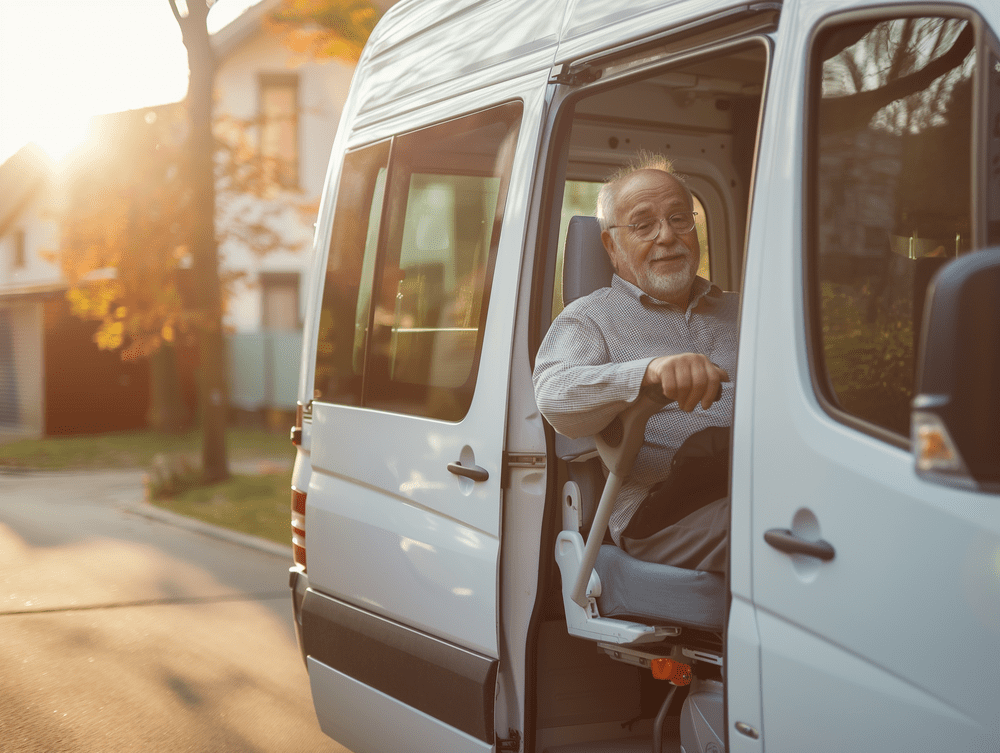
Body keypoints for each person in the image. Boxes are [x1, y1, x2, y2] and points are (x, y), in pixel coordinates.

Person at [533, 154, 738, 574]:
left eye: (680, 218)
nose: (667, 236)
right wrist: (650, 372)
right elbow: (554, 396)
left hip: (761, 476)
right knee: (776, 528)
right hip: (663, 509)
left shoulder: (744, 311)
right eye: (644, 225)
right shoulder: (589, 318)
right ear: (611, 245)